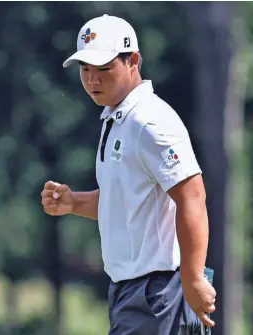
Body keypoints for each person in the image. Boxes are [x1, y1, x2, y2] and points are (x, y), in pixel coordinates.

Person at [41, 14, 216, 335]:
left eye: (104, 69)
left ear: (133, 61)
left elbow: (193, 196)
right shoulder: (117, 118)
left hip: (159, 290)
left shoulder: (149, 122)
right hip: (131, 289)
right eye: (85, 70)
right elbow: (129, 202)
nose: (93, 80)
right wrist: (74, 203)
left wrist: (193, 278)